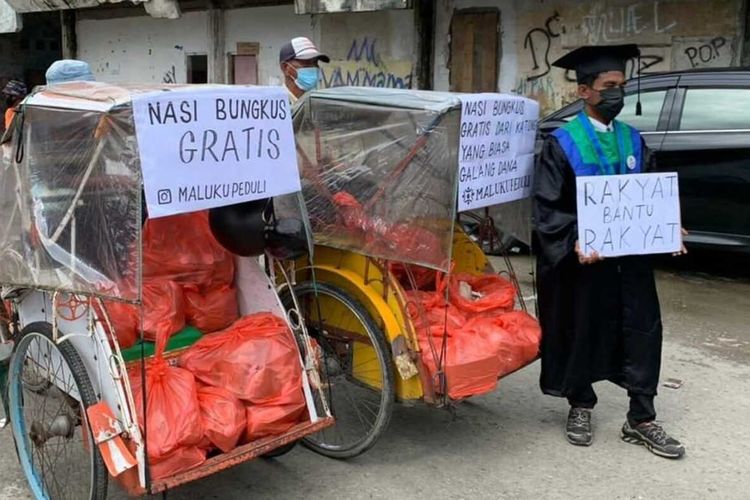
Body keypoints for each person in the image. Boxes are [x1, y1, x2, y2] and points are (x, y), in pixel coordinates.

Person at [532, 44, 686, 459]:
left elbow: (651, 195)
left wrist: (669, 228)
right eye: (609, 86)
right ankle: (580, 403)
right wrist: (574, 240)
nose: (618, 93)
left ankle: (641, 417)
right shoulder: (563, 143)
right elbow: (548, 207)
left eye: (622, 85)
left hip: (631, 264)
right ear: (584, 91)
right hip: (587, 263)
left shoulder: (632, 138)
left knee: (641, 329)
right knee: (582, 327)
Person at [279, 37, 329, 104]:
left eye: (315, 63)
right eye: (306, 63)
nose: (314, 68)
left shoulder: (319, 104)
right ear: (285, 68)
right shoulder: (275, 105)